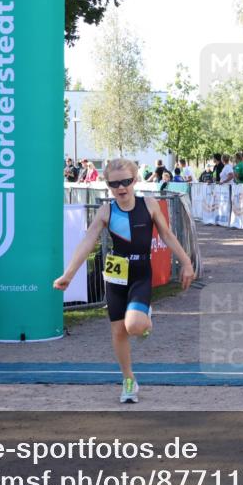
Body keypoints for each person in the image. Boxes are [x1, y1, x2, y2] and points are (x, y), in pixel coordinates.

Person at [53, 158, 195, 403]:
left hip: (140, 272)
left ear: (135, 180)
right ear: (108, 185)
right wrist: (69, 274)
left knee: (134, 326)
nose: (121, 188)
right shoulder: (106, 210)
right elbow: (87, 242)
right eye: (114, 184)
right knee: (118, 330)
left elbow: (168, 235)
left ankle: (144, 317)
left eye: (126, 182)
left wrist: (186, 262)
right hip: (116, 274)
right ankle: (128, 379)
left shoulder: (149, 205)